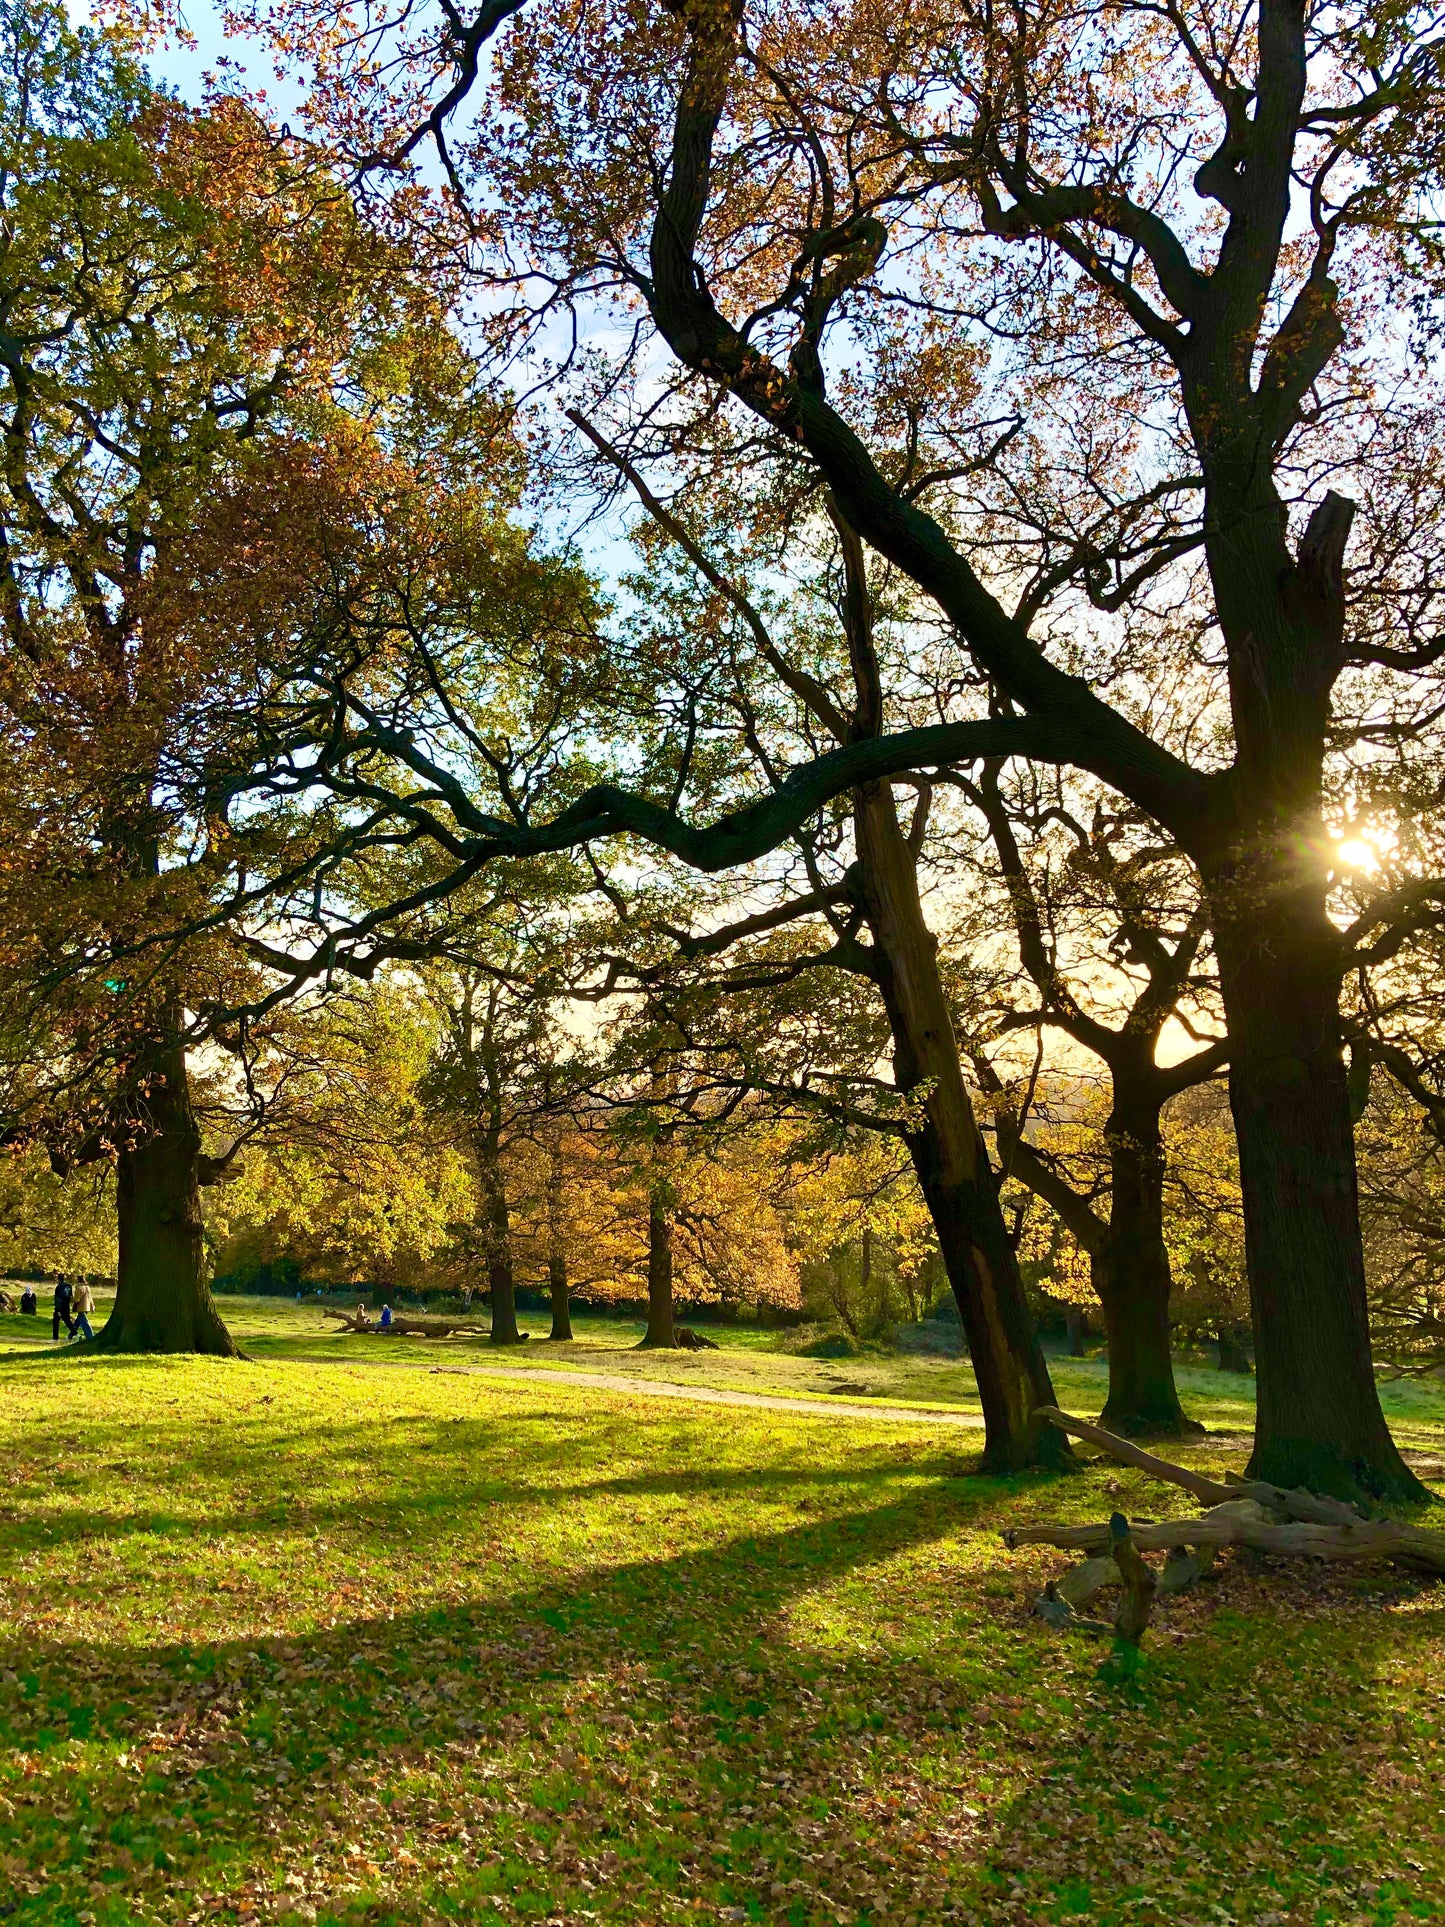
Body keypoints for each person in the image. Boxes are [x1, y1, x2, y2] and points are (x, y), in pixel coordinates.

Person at [70, 1277, 95, 1342]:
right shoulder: (87, 1287)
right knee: (77, 1323)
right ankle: (70, 1336)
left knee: (85, 1324)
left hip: (81, 1307)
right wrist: (92, 1307)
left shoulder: (79, 1288)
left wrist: (70, 1299)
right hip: (87, 1307)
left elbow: (77, 1299)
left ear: (78, 1280)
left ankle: (90, 1337)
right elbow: (90, 1298)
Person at [52, 1275, 74, 1342]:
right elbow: (71, 1296)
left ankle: (55, 1338)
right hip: (66, 1306)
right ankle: (76, 1333)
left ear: (58, 1279)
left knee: (55, 1321)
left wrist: (58, 1309)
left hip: (60, 1306)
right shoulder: (69, 1286)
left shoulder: (58, 1287)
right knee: (67, 1321)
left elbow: (58, 1299)